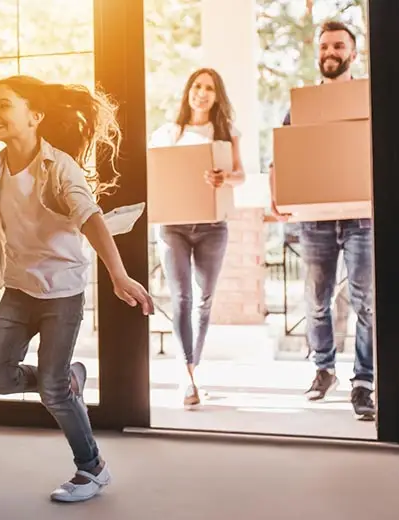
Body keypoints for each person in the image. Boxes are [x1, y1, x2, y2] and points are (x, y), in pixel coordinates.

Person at [0, 75, 154, 503]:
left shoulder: (59, 167)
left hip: (62, 292)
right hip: (20, 290)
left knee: (53, 392)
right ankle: (63, 380)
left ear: (35, 116)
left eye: (4, 105)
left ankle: (91, 468)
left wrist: (117, 274)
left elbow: (91, 218)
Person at [270, 20, 376, 421]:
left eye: (338, 46)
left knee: (366, 303)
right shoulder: (302, 106)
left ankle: (364, 382)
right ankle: (323, 369)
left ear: (352, 52)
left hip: (361, 217)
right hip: (314, 220)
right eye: (325, 47)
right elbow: (282, 156)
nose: (330, 52)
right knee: (316, 301)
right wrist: (277, 196)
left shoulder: (367, 101)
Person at [147, 68, 246, 408]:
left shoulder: (226, 132)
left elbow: (241, 175)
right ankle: (186, 376)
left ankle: (192, 370)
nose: (202, 93)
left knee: (203, 301)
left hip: (212, 227)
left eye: (210, 88)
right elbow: (155, 173)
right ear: (188, 91)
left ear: (217, 96)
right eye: (197, 86)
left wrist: (225, 177)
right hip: (173, 227)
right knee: (182, 299)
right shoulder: (167, 133)